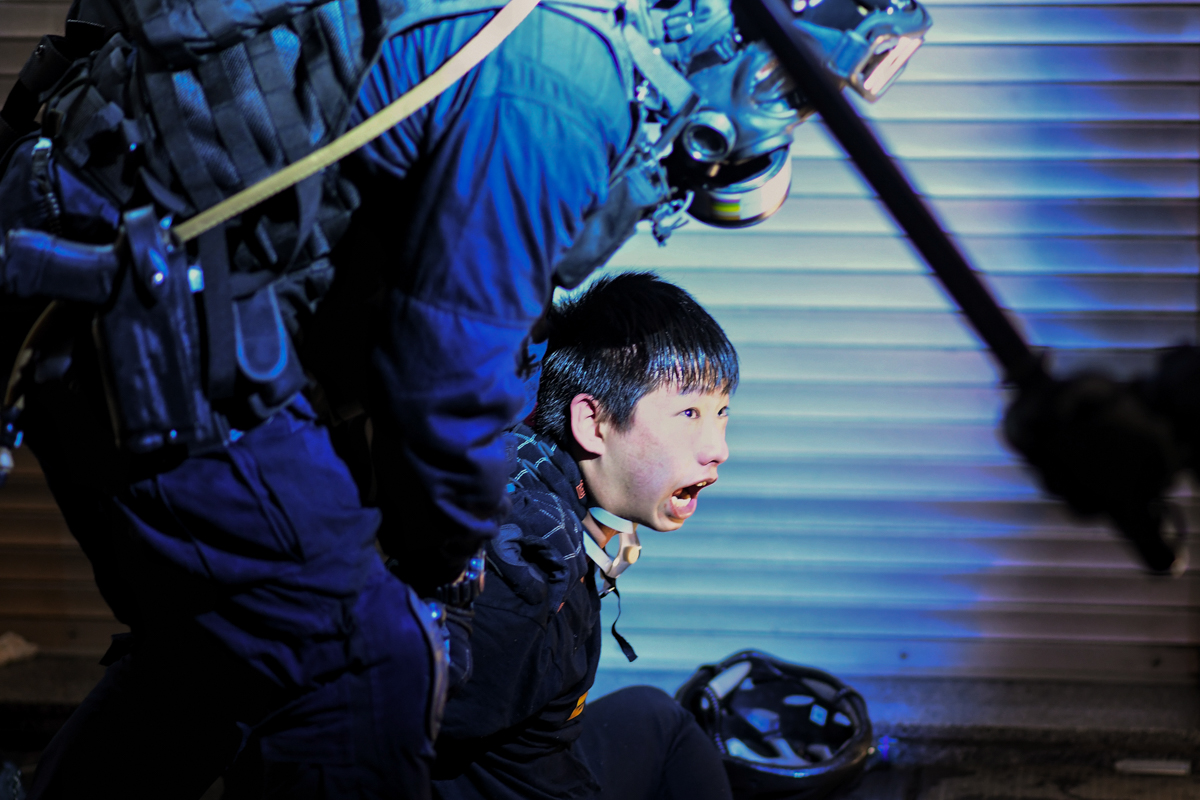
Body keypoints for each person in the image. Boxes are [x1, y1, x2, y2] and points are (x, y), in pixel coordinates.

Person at [0, 0, 928, 795]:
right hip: (139, 310)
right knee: (363, 658)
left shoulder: (569, 47)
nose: (786, 118)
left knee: (236, 640)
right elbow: (449, 367)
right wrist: (447, 561)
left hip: (134, 287)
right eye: (794, 89)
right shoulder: (565, 86)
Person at [420, 272, 738, 800]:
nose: (718, 448)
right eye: (688, 413)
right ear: (592, 422)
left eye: (721, 411)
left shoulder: (534, 464)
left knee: (660, 717)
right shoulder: (528, 574)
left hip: (546, 758)